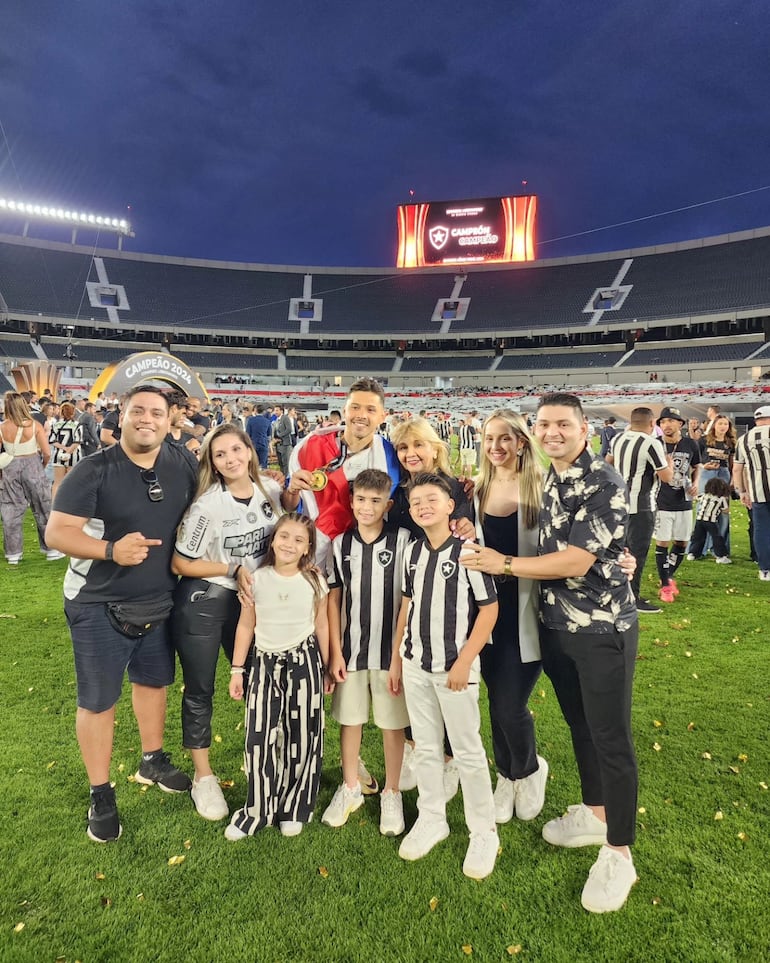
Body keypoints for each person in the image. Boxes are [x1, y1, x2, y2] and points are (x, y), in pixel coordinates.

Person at [462, 393, 639, 913]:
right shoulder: (552, 478)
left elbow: (577, 559)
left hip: (601, 628)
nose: (552, 432)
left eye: (563, 423)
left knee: (611, 738)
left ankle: (619, 853)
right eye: (545, 424)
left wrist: (504, 564)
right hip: (557, 625)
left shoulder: (602, 479)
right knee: (581, 726)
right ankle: (594, 811)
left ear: (584, 429)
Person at [45, 386, 198, 843]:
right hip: (97, 601)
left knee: (153, 682)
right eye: (137, 411)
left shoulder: (180, 461)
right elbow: (57, 532)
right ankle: (100, 792)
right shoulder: (93, 470)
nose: (146, 419)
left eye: (156, 412)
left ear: (171, 418)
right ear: (122, 415)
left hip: (158, 598)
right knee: (98, 701)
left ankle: (152, 759)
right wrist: (110, 549)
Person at [171, 423, 297, 821]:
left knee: (263, 682)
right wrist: (231, 566)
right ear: (212, 461)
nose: (230, 459)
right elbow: (180, 562)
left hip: (255, 603)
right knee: (201, 688)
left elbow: (287, 528)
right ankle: (203, 777)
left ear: (249, 450)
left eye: (235, 450)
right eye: (220, 454)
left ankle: (266, 757)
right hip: (208, 599)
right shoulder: (207, 505)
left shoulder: (269, 492)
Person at [389, 472, 500, 880]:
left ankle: (483, 830)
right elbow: (406, 606)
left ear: (450, 505)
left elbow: (489, 610)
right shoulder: (412, 552)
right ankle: (432, 817)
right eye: (416, 501)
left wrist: (465, 661)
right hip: (417, 665)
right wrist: (398, 659)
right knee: (427, 748)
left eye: (431, 499)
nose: (423, 506)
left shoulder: (468, 550)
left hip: (455, 668)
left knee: (468, 752)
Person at [386, 416, 477, 798]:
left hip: (451, 603)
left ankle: (452, 757)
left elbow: (469, 536)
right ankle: (415, 748)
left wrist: (469, 524)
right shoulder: (397, 491)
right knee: (414, 677)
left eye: (418, 445)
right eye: (403, 448)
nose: (410, 454)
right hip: (406, 590)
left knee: (447, 684)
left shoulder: (457, 489)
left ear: (435, 447)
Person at [225, 514, 330, 840]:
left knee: (303, 736)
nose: (289, 544)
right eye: (284, 536)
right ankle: (258, 809)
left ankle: (295, 806)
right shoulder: (257, 579)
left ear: (308, 547)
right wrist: (237, 670)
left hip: (305, 663)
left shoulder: (315, 581)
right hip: (265, 665)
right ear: (272, 540)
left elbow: (322, 623)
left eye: (299, 540)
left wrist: (327, 667)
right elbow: (246, 625)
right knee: (260, 738)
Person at [469, 409, 549, 824]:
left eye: (505, 438)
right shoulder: (476, 489)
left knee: (509, 702)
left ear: (521, 442)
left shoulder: (542, 487)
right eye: (489, 439)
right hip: (485, 612)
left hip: (527, 611)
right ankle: (507, 775)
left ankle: (530, 769)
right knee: (495, 698)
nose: (496, 447)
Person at [322, 470, 411, 836]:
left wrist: (398, 657)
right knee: (350, 719)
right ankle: (351, 786)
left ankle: (392, 790)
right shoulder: (341, 544)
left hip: (391, 653)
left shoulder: (404, 541)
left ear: (388, 504)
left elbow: (408, 600)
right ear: (351, 501)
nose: (367, 506)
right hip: (352, 650)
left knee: (392, 723)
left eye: (376, 500)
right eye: (360, 499)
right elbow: (334, 598)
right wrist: (335, 652)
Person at [288, 378, 401, 568]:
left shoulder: (391, 457)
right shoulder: (309, 447)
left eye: (370, 410)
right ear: (344, 410)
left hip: (363, 557)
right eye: (355, 407)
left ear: (382, 416)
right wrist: (291, 490)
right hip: (313, 552)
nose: (362, 415)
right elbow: (290, 506)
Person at [607, 407, 673, 613]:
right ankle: (632, 598)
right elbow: (667, 477)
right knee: (636, 554)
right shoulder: (651, 443)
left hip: (617, 504)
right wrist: (668, 463)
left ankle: (614, 593)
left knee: (617, 550)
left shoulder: (618, 439)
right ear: (652, 423)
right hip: (641, 506)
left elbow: (607, 463)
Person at [0, 391, 62, 564]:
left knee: (10, 510)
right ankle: (51, 550)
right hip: (33, 465)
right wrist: (41, 466)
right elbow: (47, 453)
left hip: (10, 468)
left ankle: (13, 554)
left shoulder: (2, 427)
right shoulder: (35, 425)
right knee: (43, 507)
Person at [653, 406, 701, 603]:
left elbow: (697, 465)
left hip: (684, 499)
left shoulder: (691, 444)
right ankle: (665, 585)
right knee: (662, 542)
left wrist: (696, 483)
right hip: (661, 500)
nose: (666, 425)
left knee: (682, 542)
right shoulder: (655, 444)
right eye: (663, 422)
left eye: (670, 421)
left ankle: (668, 575)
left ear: (680, 424)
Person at [689, 415, 736, 559]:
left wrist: (733, 480)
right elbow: (695, 460)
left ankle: (719, 549)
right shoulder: (703, 440)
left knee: (722, 512)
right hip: (707, 473)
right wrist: (704, 467)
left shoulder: (731, 442)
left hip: (723, 474)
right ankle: (697, 549)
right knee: (703, 510)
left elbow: (733, 462)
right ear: (714, 425)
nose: (723, 427)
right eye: (720, 423)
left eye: (726, 424)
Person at [733, 405, 770, 580]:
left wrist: (742, 492)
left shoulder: (743, 439)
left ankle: (764, 569)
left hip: (757, 492)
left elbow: (737, 469)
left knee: (761, 530)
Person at [688, 478, 732, 563]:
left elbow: (695, 498)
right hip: (711, 521)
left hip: (699, 520)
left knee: (698, 537)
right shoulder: (721, 499)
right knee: (717, 538)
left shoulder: (704, 495)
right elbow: (726, 510)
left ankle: (693, 554)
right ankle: (721, 556)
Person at [49, 401, 84, 499]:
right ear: (73, 412)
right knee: (72, 482)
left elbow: (52, 441)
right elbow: (77, 441)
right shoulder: (77, 425)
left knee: (57, 482)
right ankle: (69, 505)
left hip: (58, 455)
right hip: (73, 455)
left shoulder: (55, 425)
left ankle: (54, 505)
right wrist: (68, 451)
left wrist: (63, 449)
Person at [245, 404, 272, 469]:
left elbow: (247, 434)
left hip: (253, 444)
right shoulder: (267, 421)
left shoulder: (251, 420)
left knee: (253, 464)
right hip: (263, 444)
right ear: (264, 412)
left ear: (255, 410)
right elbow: (269, 435)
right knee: (263, 465)